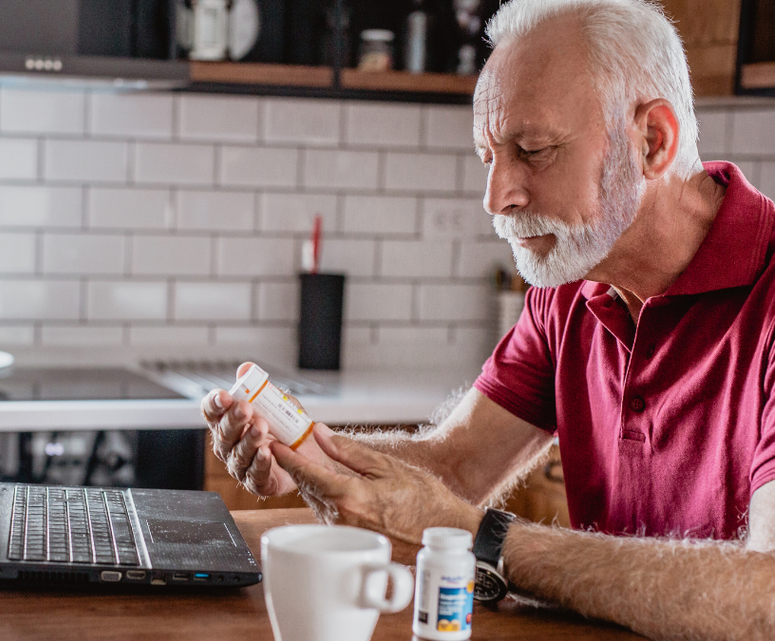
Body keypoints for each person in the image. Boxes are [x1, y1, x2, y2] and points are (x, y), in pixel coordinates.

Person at [201, 0, 775, 639]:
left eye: (533, 150)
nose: (497, 196)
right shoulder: (572, 281)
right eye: (490, 156)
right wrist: (305, 453)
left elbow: (767, 597)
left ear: (653, 141)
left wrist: (484, 540)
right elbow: (457, 465)